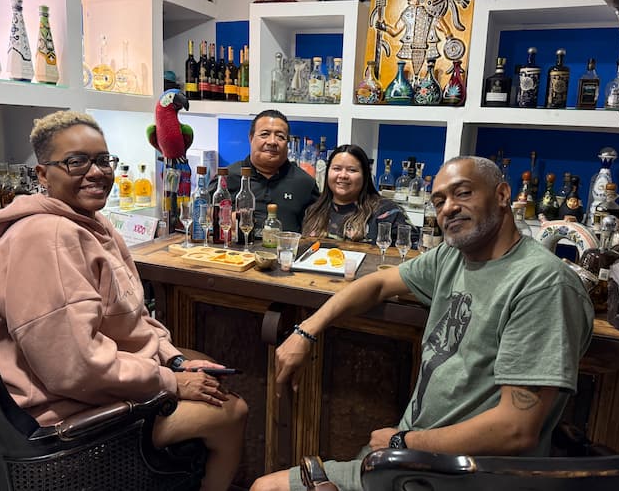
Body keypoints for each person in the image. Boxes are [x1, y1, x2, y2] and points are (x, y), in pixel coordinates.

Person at [251, 155, 594, 491]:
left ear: (503, 195)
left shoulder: (542, 284)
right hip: (414, 462)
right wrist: (306, 331)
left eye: (463, 193)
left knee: (268, 487)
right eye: (439, 201)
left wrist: (402, 442)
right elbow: (378, 283)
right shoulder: (453, 256)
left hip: (466, 475)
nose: (449, 208)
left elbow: (516, 429)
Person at [0, 111, 248, 491]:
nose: (96, 172)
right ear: (42, 175)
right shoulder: (48, 237)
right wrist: (171, 382)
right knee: (232, 411)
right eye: (76, 162)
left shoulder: (93, 224)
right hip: (56, 419)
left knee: (204, 366)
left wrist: (174, 359)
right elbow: (74, 369)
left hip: (86, 390)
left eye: (103, 160)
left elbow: (135, 317)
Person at [207, 109, 320, 235]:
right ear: (251, 138)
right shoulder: (226, 177)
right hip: (236, 247)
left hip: (286, 247)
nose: (272, 142)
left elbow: (317, 229)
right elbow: (202, 215)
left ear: (287, 143)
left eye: (280, 137)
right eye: (265, 134)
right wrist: (223, 218)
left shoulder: (305, 184)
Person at [301, 144, 416, 244]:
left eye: (352, 170)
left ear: (365, 176)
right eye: (336, 168)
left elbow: (413, 251)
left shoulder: (386, 211)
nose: (343, 175)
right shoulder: (314, 211)